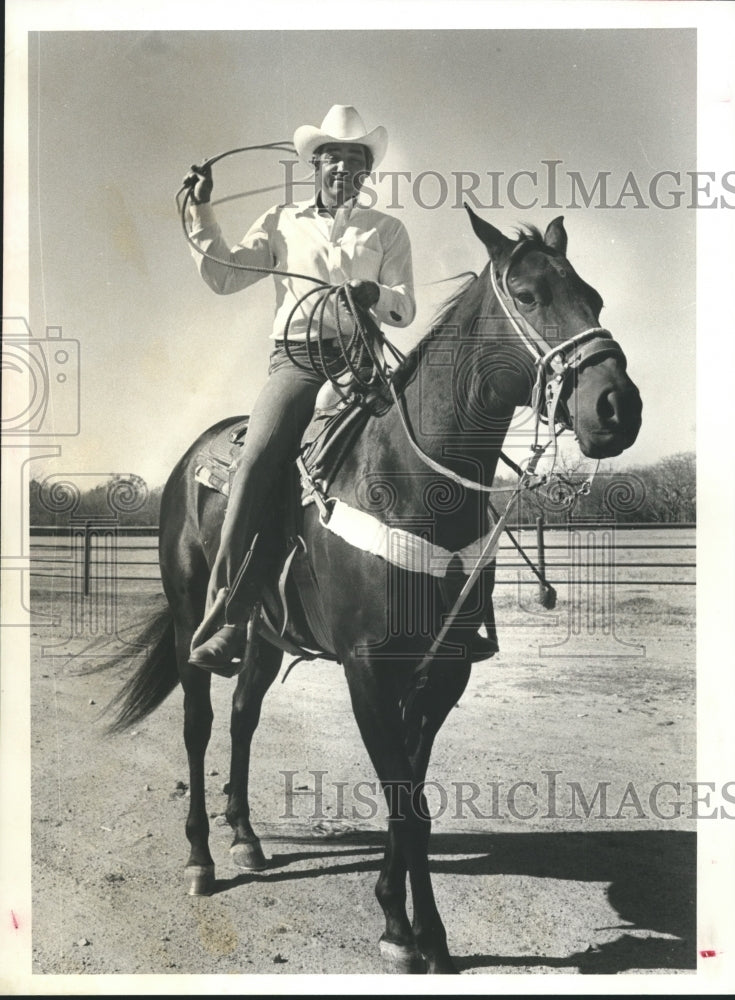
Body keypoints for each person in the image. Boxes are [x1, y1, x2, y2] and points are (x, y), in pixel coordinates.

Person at [184, 105, 418, 670]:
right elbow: (224, 273)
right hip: (298, 364)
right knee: (261, 459)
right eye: (332, 158)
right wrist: (200, 210)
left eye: (355, 161)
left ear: (366, 173)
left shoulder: (387, 230)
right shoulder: (281, 219)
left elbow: (405, 307)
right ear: (314, 166)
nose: (343, 169)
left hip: (363, 364)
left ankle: (447, 603)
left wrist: (373, 294)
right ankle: (229, 617)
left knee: (423, 445)